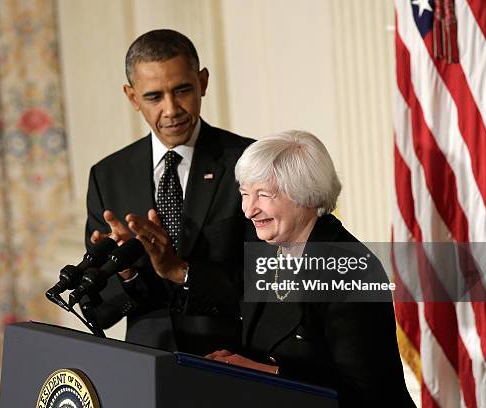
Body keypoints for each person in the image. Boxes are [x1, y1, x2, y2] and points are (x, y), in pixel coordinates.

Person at [206, 130, 415, 406]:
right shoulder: (267, 254)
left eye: (263, 195)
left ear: (305, 195)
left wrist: (260, 371)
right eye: (245, 194)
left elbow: (363, 393)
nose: (248, 209)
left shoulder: (351, 270)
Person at [85, 29, 256, 355]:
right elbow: (101, 311)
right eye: (154, 97)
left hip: (231, 363)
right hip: (148, 366)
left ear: (203, 82)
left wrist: (182, 271)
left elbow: (270, 284)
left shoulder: (249, 163)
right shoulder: (107, 176)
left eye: (182, 90)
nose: (171, 108)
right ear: (132, 97)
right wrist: (125, 270)